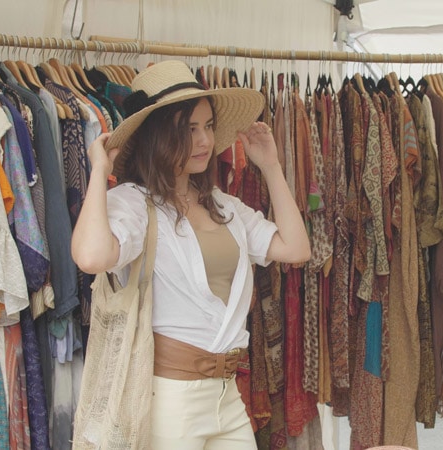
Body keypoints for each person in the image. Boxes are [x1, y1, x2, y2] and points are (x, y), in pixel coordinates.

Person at [71, 60, 311, 449]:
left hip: (227, 395)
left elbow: (296, 248)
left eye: (208, 127)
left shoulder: (223, 205)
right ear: (158, 136)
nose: (203, 141)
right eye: (188, 130)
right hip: (169, 398)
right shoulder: (134, 204)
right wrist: (99, 172)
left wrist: (271, 167)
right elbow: (91, 257)